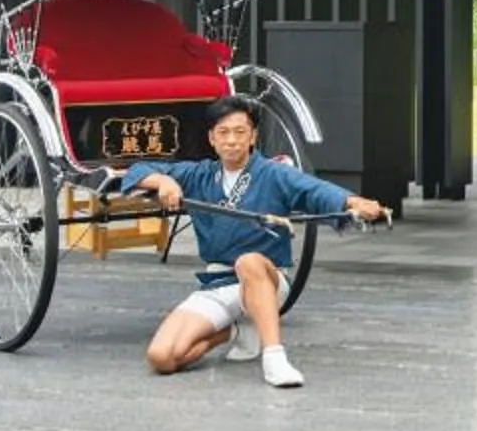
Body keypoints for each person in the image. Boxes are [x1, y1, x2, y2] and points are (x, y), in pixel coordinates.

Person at [124, 97, 386, 387]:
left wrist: (353, 202)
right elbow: (138, 170)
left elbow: (315, 190)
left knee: (248, 262)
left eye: (240, 132)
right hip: (218, 282)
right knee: (162, 357)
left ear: (253, 136)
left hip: (266, 280)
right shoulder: (199, 174)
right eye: (223, 133)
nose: (232, 140)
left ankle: (274, 357)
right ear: (211, 138)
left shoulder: (273, 173)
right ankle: (234, 331)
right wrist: (163, 182)